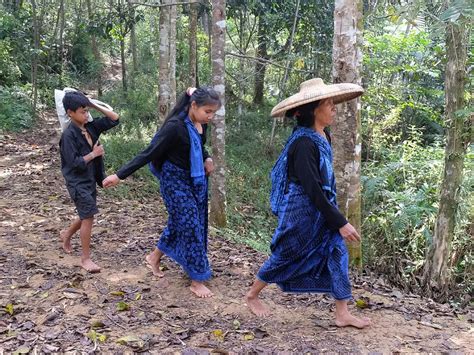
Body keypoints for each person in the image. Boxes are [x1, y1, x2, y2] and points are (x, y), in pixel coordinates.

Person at [245, 78, 371, 328]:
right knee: (285, 254)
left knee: (337, 252)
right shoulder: (303, 143)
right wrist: (340, 221)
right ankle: (252, 295)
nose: (334, 107)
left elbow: (323, 184)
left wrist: (334, 219)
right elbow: (312, 187)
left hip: (322, 208)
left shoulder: (324, 135)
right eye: (328, 103)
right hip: (301, 210)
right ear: (314, 109)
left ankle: (342, 313)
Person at [102, 86, 221, 298]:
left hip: (196, 180)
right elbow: (149, 153)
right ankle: (196, 279)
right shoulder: (174, 127)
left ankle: (154, 257)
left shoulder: (201, 124)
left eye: (213, 112)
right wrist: (119, 175)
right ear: (193, 105)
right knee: (191, 224)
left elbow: (200, 147)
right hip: (174, 180)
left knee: (181, 222)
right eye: (207, 111)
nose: (210, 117)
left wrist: (207, 157)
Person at [59, 91, 120, 273]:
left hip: (90, 177)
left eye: (87, 111)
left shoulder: (91, 127)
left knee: (87, 212)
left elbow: (115, 119)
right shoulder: (68, 135)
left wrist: (93, 105)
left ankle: (67, 234)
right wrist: (94, 154)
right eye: (82, 111)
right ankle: (85, 259)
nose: (86, 115)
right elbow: (75, 163)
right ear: (70, 112)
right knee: (88, 216)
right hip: (77, 180)